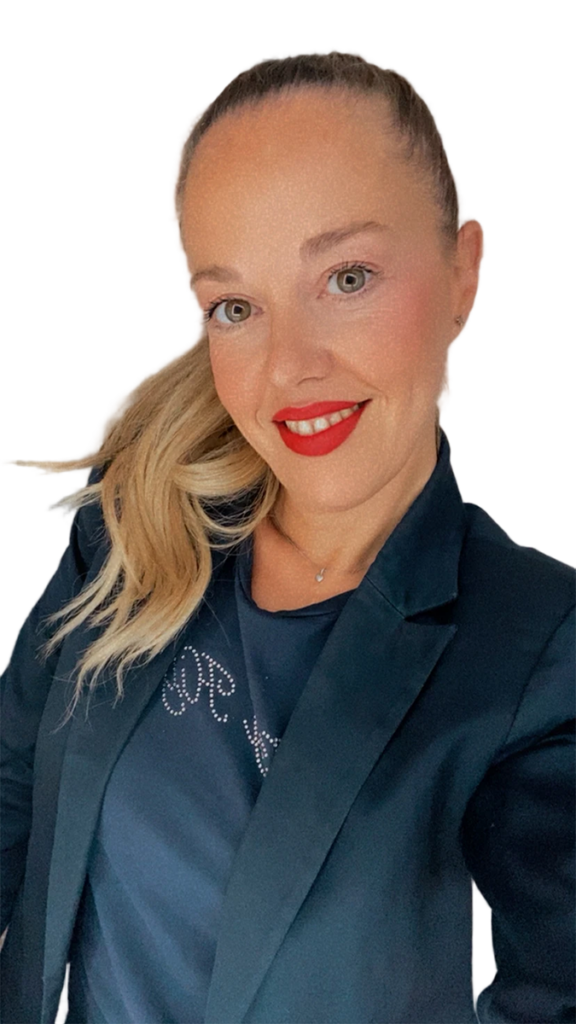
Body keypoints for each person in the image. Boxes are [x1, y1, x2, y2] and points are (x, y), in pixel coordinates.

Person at [0, 50, 574, 1024]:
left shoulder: (538, 644)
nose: (288, 367)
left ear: (464, 272)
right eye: (236, 306)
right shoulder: (129, 529)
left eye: (347, 277)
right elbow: (13, 790)